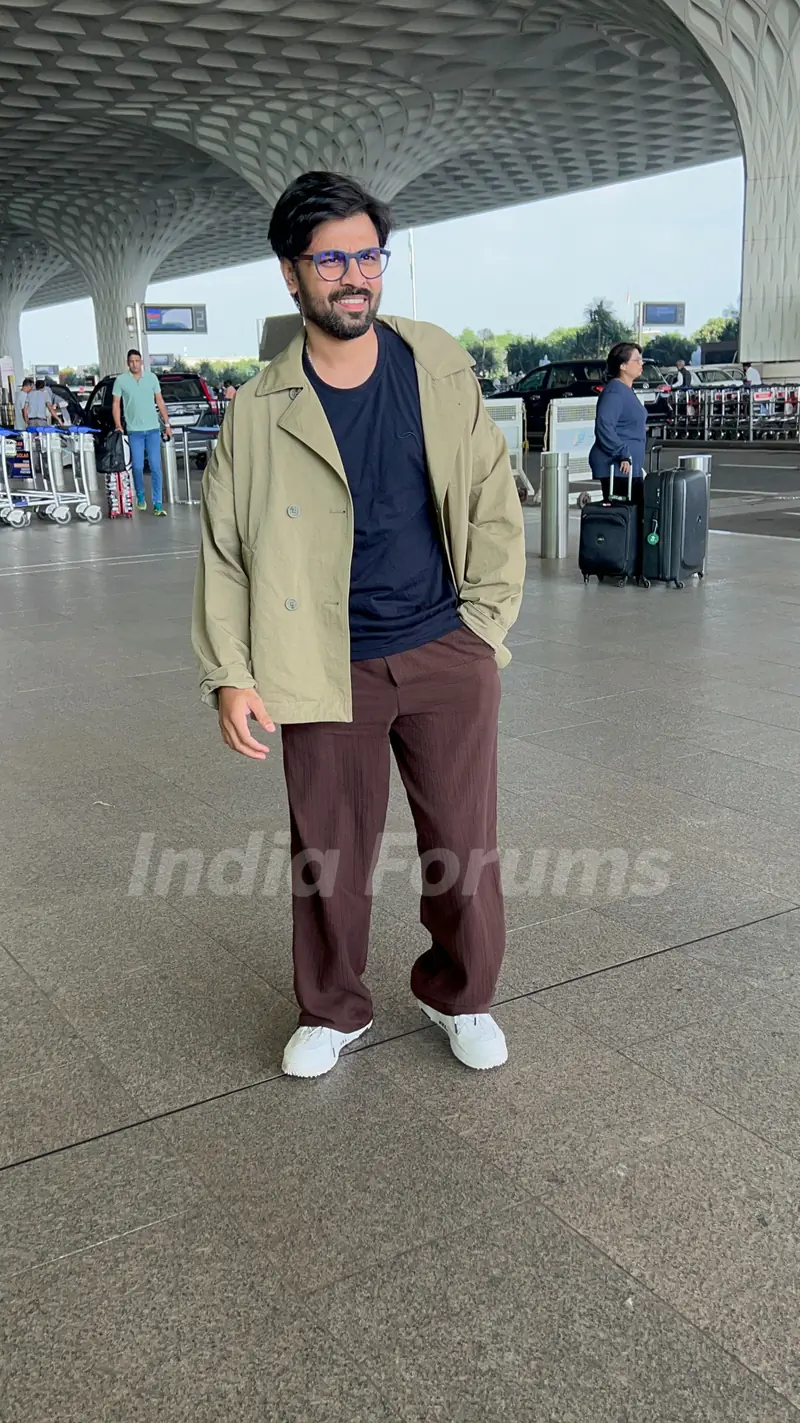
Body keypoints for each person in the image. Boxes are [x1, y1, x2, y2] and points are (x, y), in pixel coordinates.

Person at [193, 170, 526, 1080]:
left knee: (464, 842)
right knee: (328, 855)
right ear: (291, 274)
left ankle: (458, 992)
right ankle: (334, 1007)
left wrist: (485, 627)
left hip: (444, 647)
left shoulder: (437, 363)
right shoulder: (258, 412)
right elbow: (223, 552)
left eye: (367, 255)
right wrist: (232, 670)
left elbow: (495, 494)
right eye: (330, 258)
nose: (353, 276)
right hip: (322, 665)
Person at [112, 349, 173, 515]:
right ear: (127, 363)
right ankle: (140, 495)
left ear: (141, 362)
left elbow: (159, 400)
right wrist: (118, 424)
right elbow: (116, 403)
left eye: (137, 361)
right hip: (134, 431)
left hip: (153, 429)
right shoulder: (121, 381)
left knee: (155, 467)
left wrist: (167, 424)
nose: (134, 364)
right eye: (131, 361)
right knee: (137, 467)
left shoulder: (151, 378)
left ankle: (158, 504)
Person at [589, 342, 648, 508]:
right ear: (622, 365)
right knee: (625, 516)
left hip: (628, 467)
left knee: (635, 515)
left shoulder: (625, 390)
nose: (641, 363)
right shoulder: (615, 391)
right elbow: (604, 426)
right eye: (636, 360)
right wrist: (622, 452)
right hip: (618, 468)